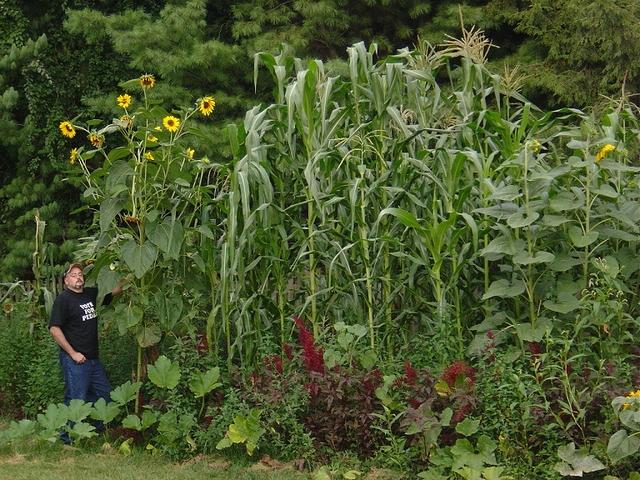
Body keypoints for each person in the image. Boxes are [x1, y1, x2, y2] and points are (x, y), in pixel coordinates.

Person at [48, 262, 124, 421]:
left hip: (93, 359)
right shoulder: (63, 299)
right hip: (75, 361)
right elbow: (54, 329)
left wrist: (125, 273)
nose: (78, 277)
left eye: (80, 274)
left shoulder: (90, 294)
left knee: (105, 396)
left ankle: (96, 430)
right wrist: (73, 353)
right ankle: (68, 434)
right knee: (76, 401)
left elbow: (114, 291)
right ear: (66, 281)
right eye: (73, 275)